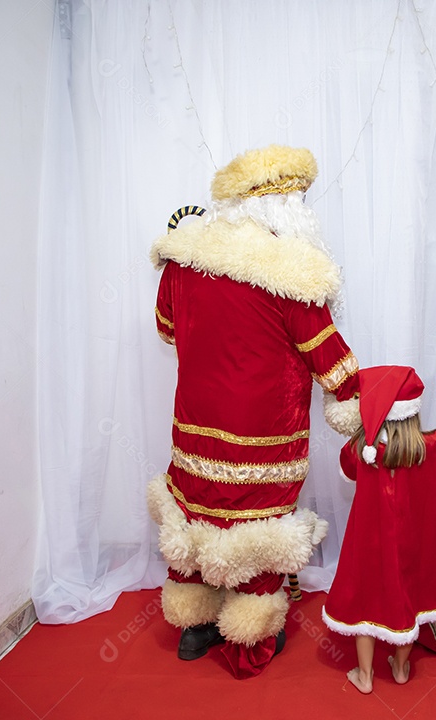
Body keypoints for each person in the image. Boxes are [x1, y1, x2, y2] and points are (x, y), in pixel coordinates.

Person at [147, 145, 361, 678]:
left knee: (195, 510)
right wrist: (356, 395)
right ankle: (250, 637)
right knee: (256, 523)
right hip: (264, 431)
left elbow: (166, 328)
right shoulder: (291, 270)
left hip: (195, 423)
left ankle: (194, 628)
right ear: (285, 204)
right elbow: (327, 357)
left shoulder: (184, 257)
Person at [322, 366, 436, 695]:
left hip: (369, 548)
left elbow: (347, 474)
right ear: (413, 411)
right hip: (413, 548)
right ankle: (401, 668)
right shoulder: (431, 446)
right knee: (411, 602)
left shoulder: (361, 450)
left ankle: (364, 676)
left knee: (365, 607)